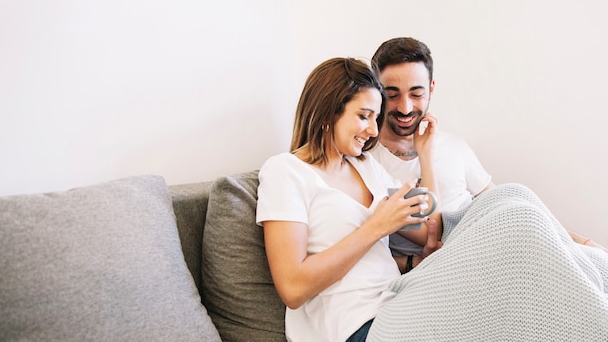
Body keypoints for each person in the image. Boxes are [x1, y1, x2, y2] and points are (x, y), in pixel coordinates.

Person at [257, 57, 608, 342]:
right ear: (326, 111)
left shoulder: (364, 168)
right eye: (363, 116)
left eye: (375, 119)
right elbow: (292, 287)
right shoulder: (285, 172)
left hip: (400, 298)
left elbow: (430, 230)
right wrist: (375, 227)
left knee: (512, 197)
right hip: (356, 326)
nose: (373, 131)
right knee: (516, 227)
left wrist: (425, 154)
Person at [370, 36, 607, 262]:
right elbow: (431, 233)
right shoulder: (369, 164)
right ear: (376, 92)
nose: (405, 107)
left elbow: (510, 208)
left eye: (416, 94)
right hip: (459, 258)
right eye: (392, 95)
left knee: (519, 197)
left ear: (431, 89)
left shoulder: (454, 147)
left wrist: (581, 242)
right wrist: (425, 155)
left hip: (500, 241)